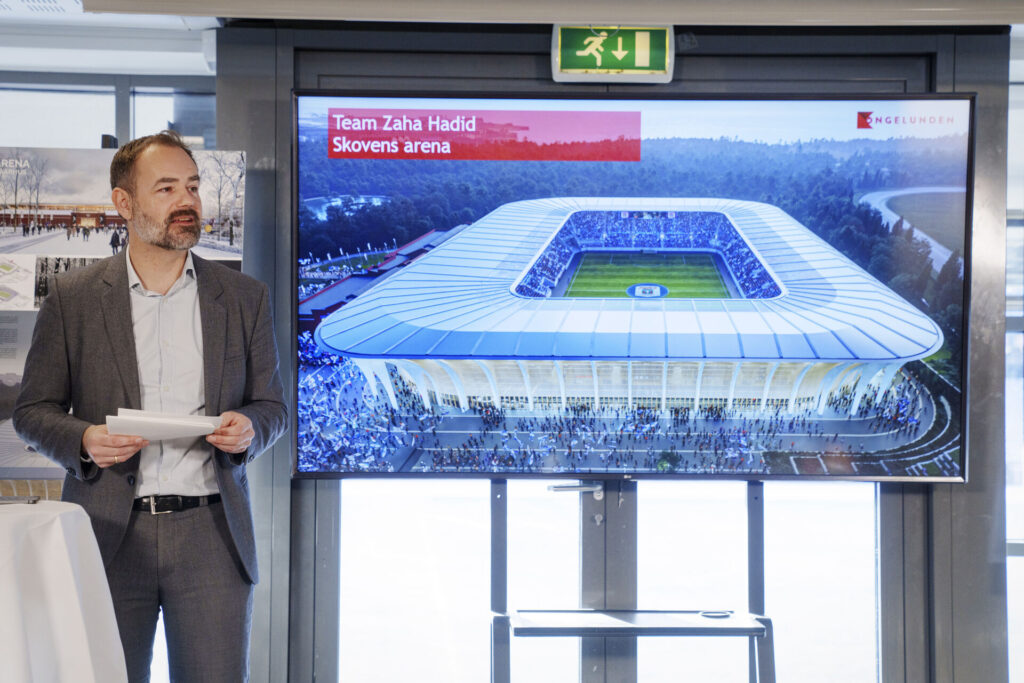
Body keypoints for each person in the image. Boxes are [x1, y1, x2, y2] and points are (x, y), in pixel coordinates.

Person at [13, 130, 287, 682]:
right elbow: (33, 411)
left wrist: (251, 429)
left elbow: (272, 406)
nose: (186, 202)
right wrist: (84, 440)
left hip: (214, 536)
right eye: (165, 189)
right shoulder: (73, 299)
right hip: (108, 532)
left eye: (191, 186)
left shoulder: (244, 298)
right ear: (124, 203)